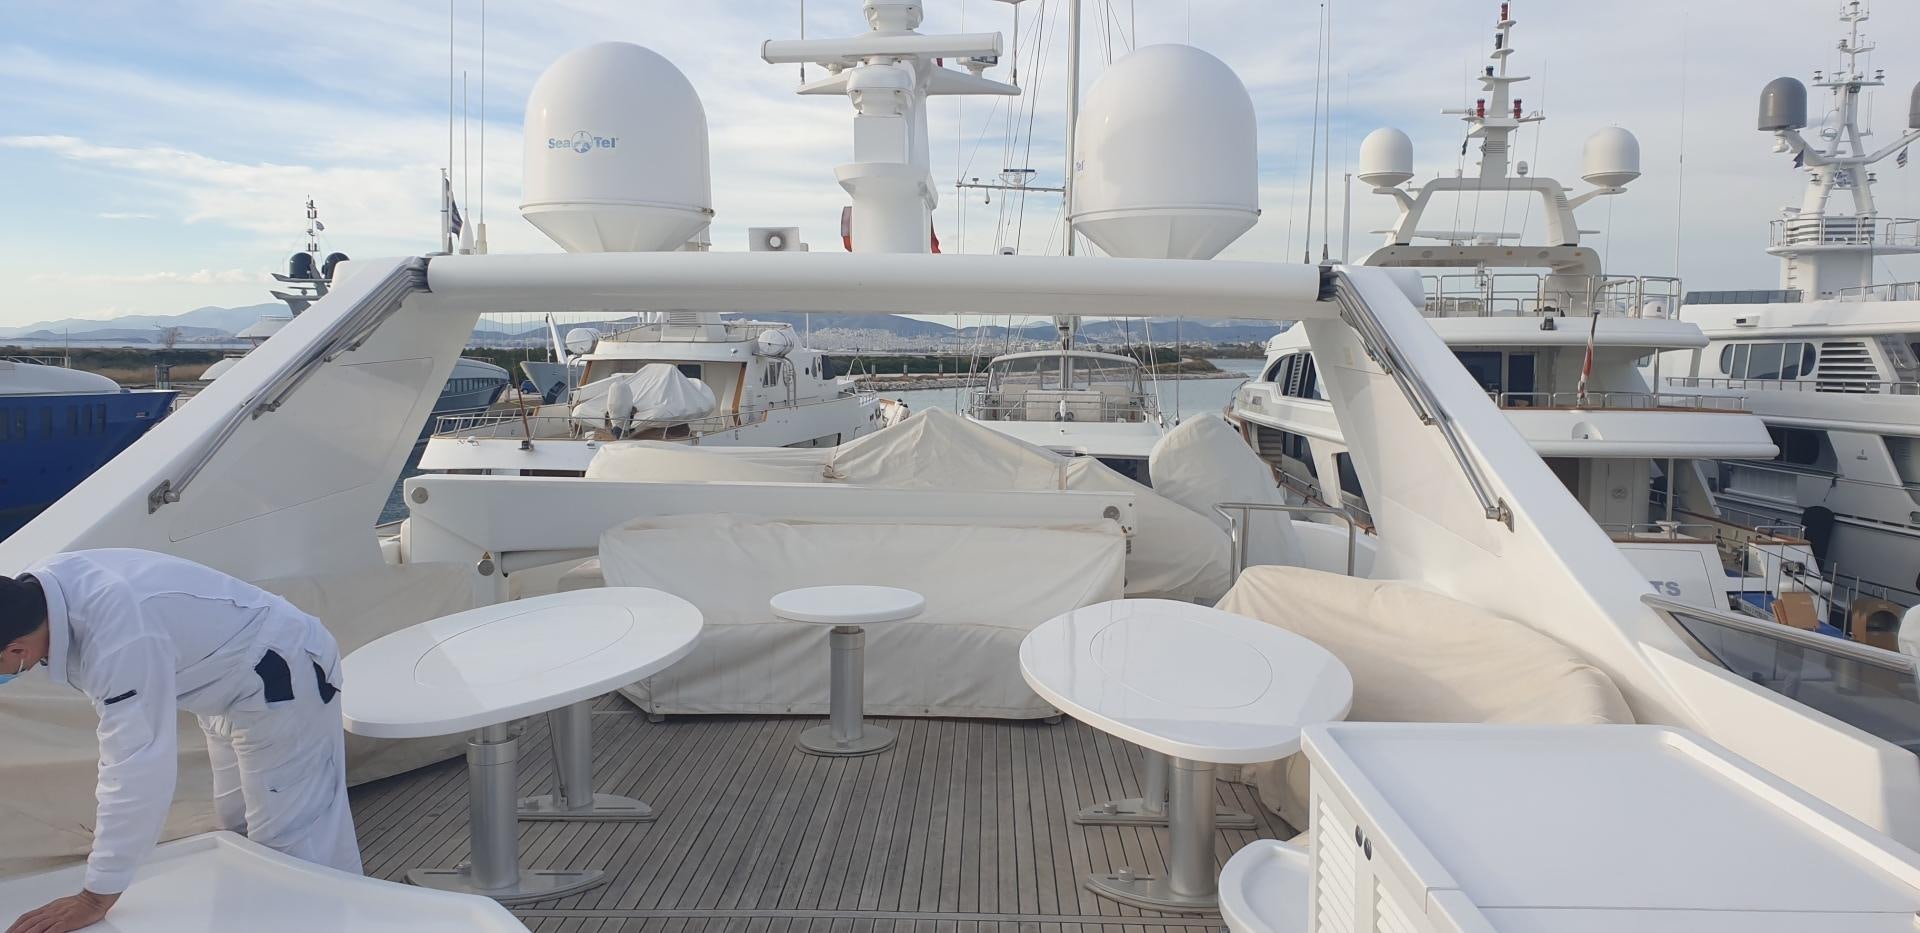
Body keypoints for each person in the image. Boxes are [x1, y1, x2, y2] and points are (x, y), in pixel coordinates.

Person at [2, 549, 359, 933]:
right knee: (236, 828)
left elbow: (135, 766)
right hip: (221, 681)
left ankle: (339, 922)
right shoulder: (32, 592)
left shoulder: (118, 634)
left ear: (17, 649)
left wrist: (97, 894)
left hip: (282, 673)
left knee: (294, 843)